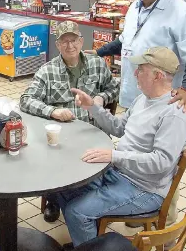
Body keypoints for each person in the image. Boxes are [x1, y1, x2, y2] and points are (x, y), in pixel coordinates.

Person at [85, 0, 186, 227]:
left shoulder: (182, 12)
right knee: (133, 142)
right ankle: (132, 204)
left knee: (164, 163)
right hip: (137, 94)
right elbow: (127, 41)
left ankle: (163, 219)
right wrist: (101, 52)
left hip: (165, 99)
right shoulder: (135, 7)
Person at [58, 46, 186, 249]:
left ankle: (87, 244)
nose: (135, 73)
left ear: (158, 75)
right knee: (64, 187)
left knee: (78, 211)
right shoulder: (142, 100)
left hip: (145, 188)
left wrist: (114, 156)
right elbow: (119, 127)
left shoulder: (173, 114)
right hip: (119, 173)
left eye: (141, 70)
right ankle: (86, 244)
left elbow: (161, 162)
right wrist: (92, 106)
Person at [20, 20, 119, 223]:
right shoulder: (47, 70)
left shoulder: (97, 64)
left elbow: (114, 88)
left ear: (81, 41)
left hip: (93, 132)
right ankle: (54, 199)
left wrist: (101, 98)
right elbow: (25, 100)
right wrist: (53, 111)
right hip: (61, 136)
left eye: (73, 40)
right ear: (57, 45)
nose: (70, 46)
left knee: (95, 167)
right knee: (52, 155)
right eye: (64, 41)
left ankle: (91, 198)